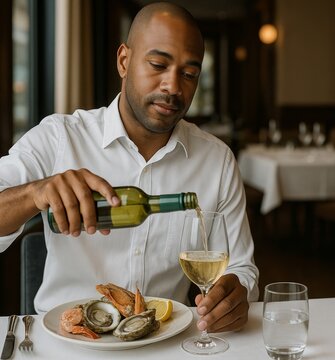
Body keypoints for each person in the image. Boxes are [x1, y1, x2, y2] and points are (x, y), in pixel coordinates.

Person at [0, 2, 258, 333]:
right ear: (124, 61)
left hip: (162, 342)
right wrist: (35, 193)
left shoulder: (217, 160)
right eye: (158, 64)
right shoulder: (59, 138)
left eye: (189, 74)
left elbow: (243, 270)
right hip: (64, 345)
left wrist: (236, 295)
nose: (173, 87)